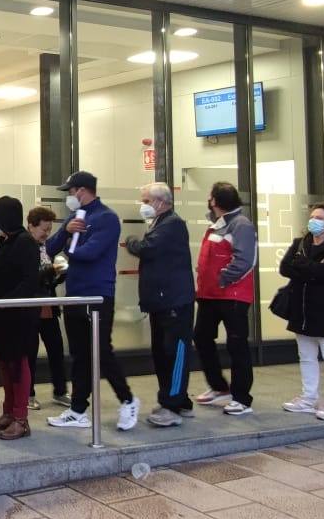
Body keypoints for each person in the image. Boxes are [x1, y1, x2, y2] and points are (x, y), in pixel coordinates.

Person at [45, 171, 139, 431]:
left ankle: (128, 400)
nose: (68, 197)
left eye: (70, 191)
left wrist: (69, 247)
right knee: (79, 355)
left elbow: (88, 253)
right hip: (74, 294)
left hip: (97, 295)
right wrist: (65, 229)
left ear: (82, 191)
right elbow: (50, 248)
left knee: (101, 352)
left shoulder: (106, 218)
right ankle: (77, 410)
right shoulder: (74, 218)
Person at [125, 183, 195, 428]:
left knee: (174, 353)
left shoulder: (172, 224)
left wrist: (131, 240)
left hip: (174, 301)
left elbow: (147, 248)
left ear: (161, 202)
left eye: (146, 200)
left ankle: (173, 405)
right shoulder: (160, 223)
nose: (143, 205)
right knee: (162, 353)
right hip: (162, 301)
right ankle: (177, 400)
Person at [279, 203, 324, 422]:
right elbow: (285, 268)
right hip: (302, 309)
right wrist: (311, 267)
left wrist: (304, 266)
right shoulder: (301, 243)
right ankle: (308, 398)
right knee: (306, 356)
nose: (314, 221)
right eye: (312, 216)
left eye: (320, 217)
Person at [193, 181, 258, 416]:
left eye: (210, 197)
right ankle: (219, 387)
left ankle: (242, 397)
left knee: (237, 344)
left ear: (215, 201)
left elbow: (245, 260)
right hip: (209, 295)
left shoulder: (240, 225)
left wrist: (222, 278)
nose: (208, 200)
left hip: (232, 296)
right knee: (201, 337)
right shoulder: (216, 224)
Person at [0, 197, 42, 440]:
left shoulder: (25, 243)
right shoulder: (2, 243)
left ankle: (20, 417)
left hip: (16, 317)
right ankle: (8, 411)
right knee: (4, 365)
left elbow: (28, 281)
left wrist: (5, 305)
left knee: (18, 366)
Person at [26, 205, 69, 410]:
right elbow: (29, 278)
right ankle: (28, 393)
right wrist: (49, 271)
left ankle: (60, 391)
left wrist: (58, 275)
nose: (46, 234)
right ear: (31, 227)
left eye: (49, 229)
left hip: (48, 305)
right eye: (44, 229)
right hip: (31, 307)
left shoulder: (46, 247)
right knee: (30, 351)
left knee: (56, 349)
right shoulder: (24, 247)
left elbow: (48, 281)